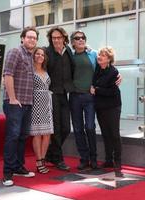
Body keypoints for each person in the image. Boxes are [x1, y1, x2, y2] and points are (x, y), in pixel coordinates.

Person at [2, 26, 39, 186]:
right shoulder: (15, 52)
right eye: (29, 37)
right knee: (13, 136)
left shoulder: (31, 56)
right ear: (22, 38)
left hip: (27, 103)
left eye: (34, 38)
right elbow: (7, 74)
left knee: (23, 136)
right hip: (14, 103)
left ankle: (18, 167)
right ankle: (7, 173)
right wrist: (12, 98)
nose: (32, 39)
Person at [45, 26, 75, 171]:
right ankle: (58, 159)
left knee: (66, 128)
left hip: (64, 93)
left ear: (64, 38)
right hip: (51, 94)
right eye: (54, 38)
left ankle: (50, 153)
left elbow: (74, 67)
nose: (56, 40)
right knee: (56, 128)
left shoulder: (68, 50)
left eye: (59, 37)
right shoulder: (47, 52)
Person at [90, 47, 122, 173]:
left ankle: (117, 160)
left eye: (103, 55)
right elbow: (94, 83)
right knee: (105, 134)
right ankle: (108, 160)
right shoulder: (98, 69)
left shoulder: (113, 72)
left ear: (108, 59)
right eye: (99, 55)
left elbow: (112, 91)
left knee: (114, 133)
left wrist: (97, 90)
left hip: (113, 106)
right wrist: (96, 88)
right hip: (100, 106)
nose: (100, 57)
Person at [69, 30, 98, 170]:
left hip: (90, 97)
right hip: (74, 97)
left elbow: (102, 70)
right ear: (72, 42)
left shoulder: (93, 54)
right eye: (77, 38)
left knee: (90, 127)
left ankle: (94, 159)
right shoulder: (70, 56)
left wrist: (117, 76)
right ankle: (84, 159)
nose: (81, 40)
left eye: (83, 37)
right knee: (78, 129)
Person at [29, 47, 53, 174]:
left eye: (42, 55)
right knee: (38, 133)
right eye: (37, 54)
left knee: (47, 133)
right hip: (36, 103)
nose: (40, 56)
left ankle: (42, 159)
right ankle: (38, 161)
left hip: (47, 104)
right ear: (33, 56)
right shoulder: (30, 70)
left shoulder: (45, 70)